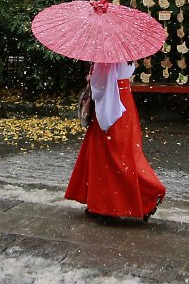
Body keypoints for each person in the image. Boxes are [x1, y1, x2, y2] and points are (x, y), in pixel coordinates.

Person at [65, 61, 166, 221]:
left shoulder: (106, 55)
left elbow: (101, 85)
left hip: (111, 103)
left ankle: (140, 197)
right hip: (123, 98)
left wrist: (91, 78)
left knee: (111, 156)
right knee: (125, 153)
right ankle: (126, 201)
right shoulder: (124, 53)